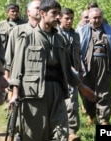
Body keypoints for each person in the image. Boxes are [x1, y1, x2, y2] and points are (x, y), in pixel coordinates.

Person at [8, 0, 96, 140]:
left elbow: (67, 68)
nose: (57, 17)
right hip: (34, 95)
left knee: (60, 133)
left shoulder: (60, 39)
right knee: (34, 135)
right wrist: (14, 94)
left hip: (57, 92)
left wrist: (81, 86)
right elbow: (17, 69)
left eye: (58, 14)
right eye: (54, 13)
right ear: (42, 13)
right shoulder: (26, 37)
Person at [79, 7, 111, 125]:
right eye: (94, 18)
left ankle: (104, 118)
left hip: (104, 63)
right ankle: (91, 115)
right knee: (88, 91)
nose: (97, 20)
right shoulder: (81, 31)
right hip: (87, 65)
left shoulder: (110, 31)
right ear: (89, 19)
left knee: (104, 91)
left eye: (99, 17)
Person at [57, 7, 82, 141]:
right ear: (59, 18)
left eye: (71, 18)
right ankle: (58, 131)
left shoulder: (76, 34)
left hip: (73, 73)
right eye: (67, 18)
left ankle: (71, 131)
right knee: (59, 102)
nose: (69, 21)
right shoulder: (55, 34)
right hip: (58, 73)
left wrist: (80, 70)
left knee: (73, 103)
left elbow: (78, 54)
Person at [4, 0, 41, 81]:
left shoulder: (48, 33)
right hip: (19, 76)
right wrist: (7, 76)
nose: (40, 10)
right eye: (37, 8)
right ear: (28, 12)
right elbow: (9, 55)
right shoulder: (17, 30)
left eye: (42, 8)